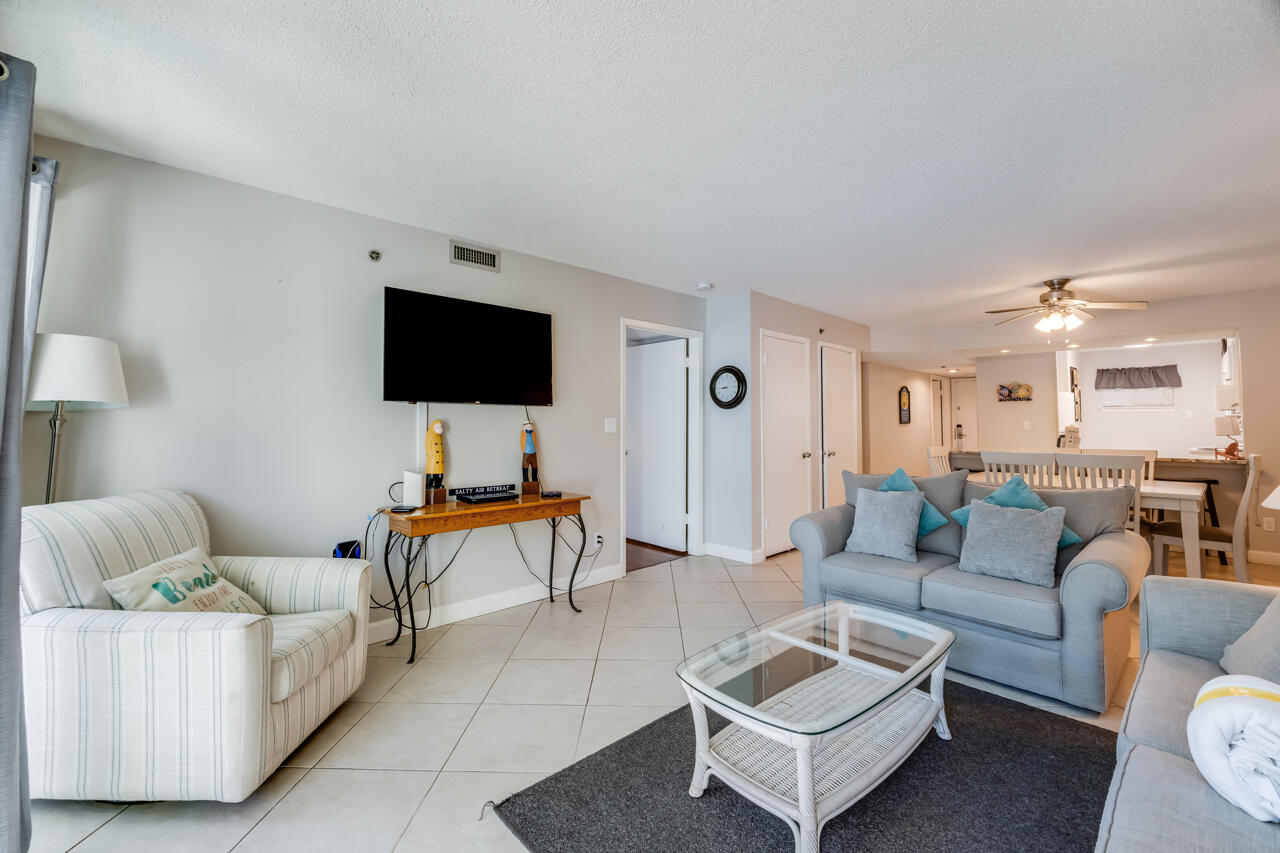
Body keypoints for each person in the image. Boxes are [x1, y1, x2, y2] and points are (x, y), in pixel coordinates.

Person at [426, 418, 445, 489]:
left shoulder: (439, 436)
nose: (440, 428)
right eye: (438, 426)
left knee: (440, 476)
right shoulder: (429, 434)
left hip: (440, 460)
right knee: (431, 475)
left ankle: (438, 484)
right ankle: (429, 485)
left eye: (440, 426)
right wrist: (432, 456)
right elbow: (427, 446)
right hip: (433, 460)